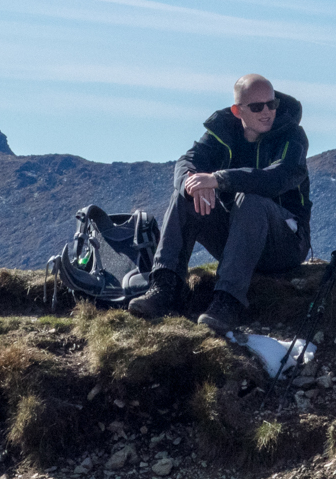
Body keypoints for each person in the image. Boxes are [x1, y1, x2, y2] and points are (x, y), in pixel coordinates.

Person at [128, 74, 312, 333]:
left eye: (272, 104)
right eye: (257, 107)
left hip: (285, 243)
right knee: (185, 196)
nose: (267, 112)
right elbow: (187, 162)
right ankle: (164, 288)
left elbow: (276, 179)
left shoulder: (292, 136)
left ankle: (227, 302)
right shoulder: (223, 131)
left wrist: (217, 180)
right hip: (238, 238)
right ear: (238, 111)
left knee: (250, 200)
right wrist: (193, 185)